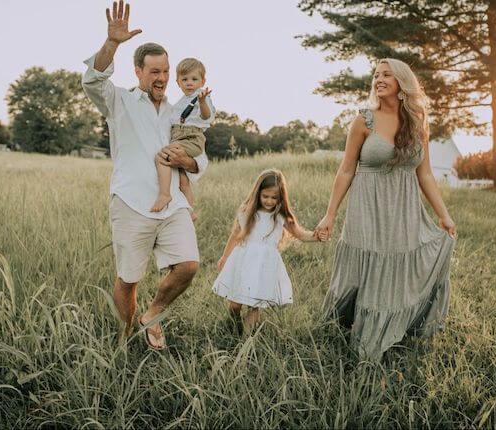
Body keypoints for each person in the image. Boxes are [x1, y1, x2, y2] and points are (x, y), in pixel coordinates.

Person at [81, 0, 209, 350]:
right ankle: (125, 339)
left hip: (174, 206)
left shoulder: (178, 110)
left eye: (166, 71)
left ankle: (152, 314)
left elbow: (201, 155)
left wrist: (190, 161)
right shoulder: (118, 102)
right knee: (129, 278)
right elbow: (93, 80)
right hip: (131, 203)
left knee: (188, 265)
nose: (163, 78)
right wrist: (112, 44)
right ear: (138, 71)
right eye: (155, 72)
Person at [315, 58, 457, 361]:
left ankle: (391, 330)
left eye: (386, 75)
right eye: (376, 75)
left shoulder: (418, 123)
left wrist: (444, 215)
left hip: (404, 210)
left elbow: (425, 174)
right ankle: (347, 331)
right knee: (365, 271)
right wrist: (330, 215)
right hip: (367, 208)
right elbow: (345, 171)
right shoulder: (363, 121)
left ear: (402, 82)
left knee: (396, 268)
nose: (378, 79)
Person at [212, 169, 322, 333]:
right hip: (244, 260)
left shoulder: (280, 216)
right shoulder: (247, 211)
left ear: (281, 198)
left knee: (255, 303)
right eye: (266, 196)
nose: (269, 201)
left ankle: (246, 343)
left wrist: (317, 236)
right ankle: (234, 324)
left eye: (274, 198)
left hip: (265, 264)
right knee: (235, 303)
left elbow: (300, 234)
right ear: (258, 193)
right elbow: (236, 235)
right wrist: (225, 257)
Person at [151, 58, 215, 221]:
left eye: (194, 79)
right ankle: (190, 211)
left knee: (162, 157)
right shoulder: (180, 102)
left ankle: (164, 194)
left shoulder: (201, 97)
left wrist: (202, 102)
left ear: (203, 81)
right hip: (179, 136)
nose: (189, 83)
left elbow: (206, 115)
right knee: (182, 181)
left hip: (191, 137)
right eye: (184, 79)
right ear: (178, 82)